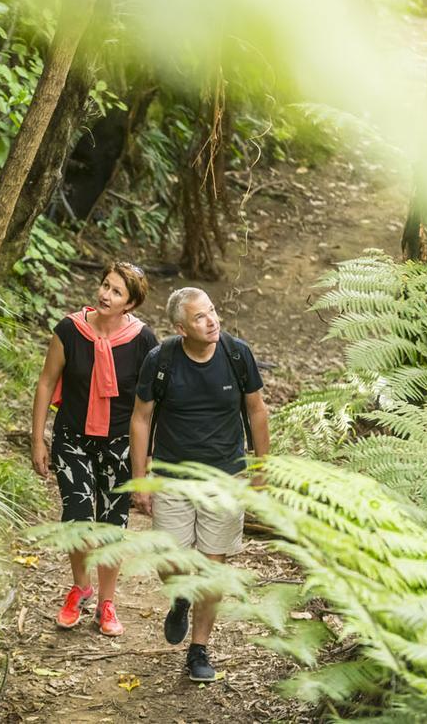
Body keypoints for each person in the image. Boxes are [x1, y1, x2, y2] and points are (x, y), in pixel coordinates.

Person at [128, 287, 270, 681]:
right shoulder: (162, 361)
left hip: (225, 475)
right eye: (200, 318)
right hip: (173, 475)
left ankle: (199, 650)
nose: (212, 321)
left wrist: (262, 469)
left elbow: (257, 410)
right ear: (180, 328)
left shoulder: (237, 354)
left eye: (212, 312)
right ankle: (179, 598)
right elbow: (140, 418)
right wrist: (140, 480)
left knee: (212, 567)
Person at [32, 262, 159, 636]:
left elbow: (149, 406)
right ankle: (79, 587)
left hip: (120, 442)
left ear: (130, 304)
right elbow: (45, 382)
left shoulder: (143, 341)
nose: (105, 294)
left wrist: (145, 463)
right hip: (72, 436)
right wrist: (37, 438)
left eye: (117, 292)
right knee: (76, 516)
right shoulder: (70, 330)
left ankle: (106, 602)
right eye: (105, 285)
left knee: (112, 524)